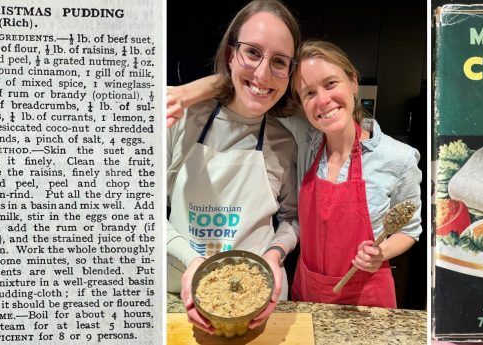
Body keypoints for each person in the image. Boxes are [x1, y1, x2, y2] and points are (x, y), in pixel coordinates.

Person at [169, 40, 423, 309]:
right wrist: (184, 94)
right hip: (308, 293)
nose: (323, 101)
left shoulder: (399, 158)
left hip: (367, 301)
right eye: (309, 93)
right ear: (301, 103)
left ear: (353, 82)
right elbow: (253, 85)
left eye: (331, 83)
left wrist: (380, 253)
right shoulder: (304, 140)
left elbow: (409, 230)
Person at [165, 0, 300, 334]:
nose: (263, 74)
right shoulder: (184, 120)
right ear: (230, 54)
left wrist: (273, 256)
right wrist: (192, 262)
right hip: (176, 293)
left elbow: (293, 219)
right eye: (252, 53)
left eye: (279, 61)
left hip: (257, 302)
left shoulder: (285, 142)